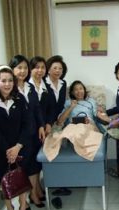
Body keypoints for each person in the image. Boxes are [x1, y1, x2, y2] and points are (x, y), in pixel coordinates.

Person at [0, 65, 32, 210]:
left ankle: (21, 207)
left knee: (21, 178)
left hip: (21, 147)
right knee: (4, 180)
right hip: (1, 151)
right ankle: (9, 209)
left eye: (10, 81)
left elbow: (28, 125)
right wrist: (8, 150)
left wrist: (18, 146)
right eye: (3, 81)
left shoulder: (20, 99)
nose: (7, 84)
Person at [9, 54, 45, 209]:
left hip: (34, 132)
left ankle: (34, 192)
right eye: (19, 68)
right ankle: (27, 198)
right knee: (23, 167)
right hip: (20, 135)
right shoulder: (10, 89)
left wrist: (41, 126)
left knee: (35, 164)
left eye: (25, 68)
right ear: (12, 70)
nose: (22, 71)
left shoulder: (30, 87)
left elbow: (37, 109)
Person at [45, 55, 71, 198]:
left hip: (58, 121)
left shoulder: (63, 83)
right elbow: (44, 107)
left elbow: (60, 105)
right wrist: (49, 123)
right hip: (46, 123)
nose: (57, 70)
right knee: (50, 151)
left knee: (60, 151)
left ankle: (61, 183)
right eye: (55, 68)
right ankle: (52, 182)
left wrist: (60, 120)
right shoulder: (43, 83)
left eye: (60, 68)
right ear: (48, 70)